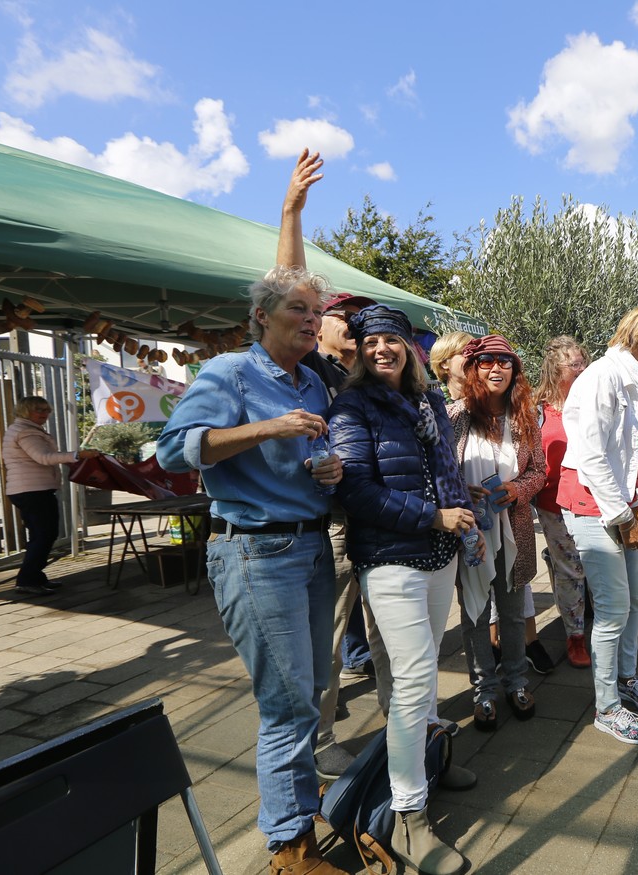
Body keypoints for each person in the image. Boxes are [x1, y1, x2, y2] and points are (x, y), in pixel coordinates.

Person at [156, 255, 346, 870]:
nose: (312, 320)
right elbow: (173, 452)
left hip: (312, 545)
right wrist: (268, 428)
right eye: (299, 309)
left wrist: (327, 470)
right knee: (287, 703)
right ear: (261, 316)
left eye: (317, 312)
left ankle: (298, 802)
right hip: (256, 552)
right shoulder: (230, 371)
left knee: (311, 690)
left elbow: (305, 453)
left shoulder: (312, 382)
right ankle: (290, 846)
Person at [328, 304, 477, 875]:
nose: (380, 349)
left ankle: (431, 763)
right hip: (391, 559)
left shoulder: (429, 402)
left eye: (391, 339)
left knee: (424, 671)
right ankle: (408, 816)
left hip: (439, 555)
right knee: (413, 680)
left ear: (411, 348)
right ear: (360, 352)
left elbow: (445, 472)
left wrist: (461, 522)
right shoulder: (352, 406)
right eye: (370, 342)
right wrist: (434, 517)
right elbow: (356, 492)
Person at [270, 148, 376, 782]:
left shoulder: (355, 378)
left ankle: (404, 725)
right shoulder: (310, 364)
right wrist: (292, 212)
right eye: (342, 315)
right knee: (325, 637)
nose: (349, 323)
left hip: (367, 521)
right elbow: (288, 288)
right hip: (325, 525)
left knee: (365, 633)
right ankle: (317, 741)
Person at [559, 307, 638, 746]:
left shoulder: (637, 383)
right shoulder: (602, 378)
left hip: (622, 502)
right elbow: (591, 456)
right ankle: (606, 708)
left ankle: (625, 679)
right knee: (612, 609)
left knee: (635, 597)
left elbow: (635, 451)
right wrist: (626, 519)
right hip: (593, 503)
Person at [449, 334, 546, 731]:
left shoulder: (525, 417)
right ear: (474, 368)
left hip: (513, 528)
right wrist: (460, 490)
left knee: (511, 611)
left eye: (505, 361)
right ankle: (483, 690)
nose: (496, 368)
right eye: (486, 361)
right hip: (470, 530)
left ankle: (517, 682)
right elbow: (440, 472)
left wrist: (517, 490)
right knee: (473, 613)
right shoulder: (455, 416)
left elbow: (539, 471)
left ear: (514, 371)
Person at [1, 396, 100, 595]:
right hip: (33, 490)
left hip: (28, 489)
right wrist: (77, 455)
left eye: (47, 410)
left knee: (40, 535)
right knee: (44, 535)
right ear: (25, 411)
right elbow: (44, 458)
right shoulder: (26, 432)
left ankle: (34, 577)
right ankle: (28, 580)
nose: (44, 414)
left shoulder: (23, 429)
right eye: (39, 409)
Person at [534, 335, 592, 668]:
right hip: (552, 501)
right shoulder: (536, 408)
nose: (582, 369)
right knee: (571, 568)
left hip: (589, 499)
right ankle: (575, 636)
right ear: (556, 368)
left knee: (587, 564)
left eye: (584, 362)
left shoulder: (591, 401)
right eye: (575, 364)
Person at [429, 330, 474, 402]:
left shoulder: (488, 397)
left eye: (474, 352)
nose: (472, 357)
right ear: (444, 363)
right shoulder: (432, 401)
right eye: (464, 352)